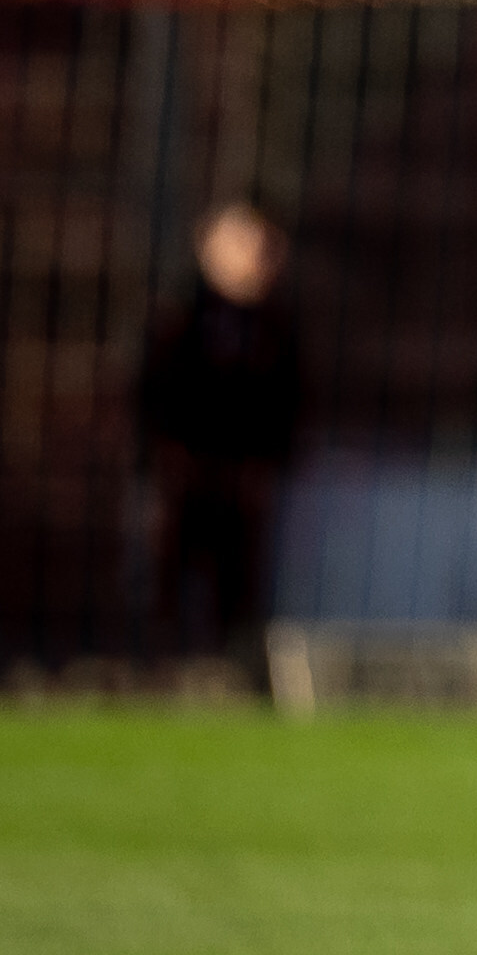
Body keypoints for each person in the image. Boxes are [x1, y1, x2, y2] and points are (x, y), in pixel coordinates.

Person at [137, 201, 304, 670]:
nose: (258, 258)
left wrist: (270, 464)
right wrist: (167, 457)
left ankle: (231, 668)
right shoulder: (179, 316)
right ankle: (158, 666)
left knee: (238, 579)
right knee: (167, 572)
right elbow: (152, 392)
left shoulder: (277, 325)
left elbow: (291, 401)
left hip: (246, 474)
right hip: (184, 470)